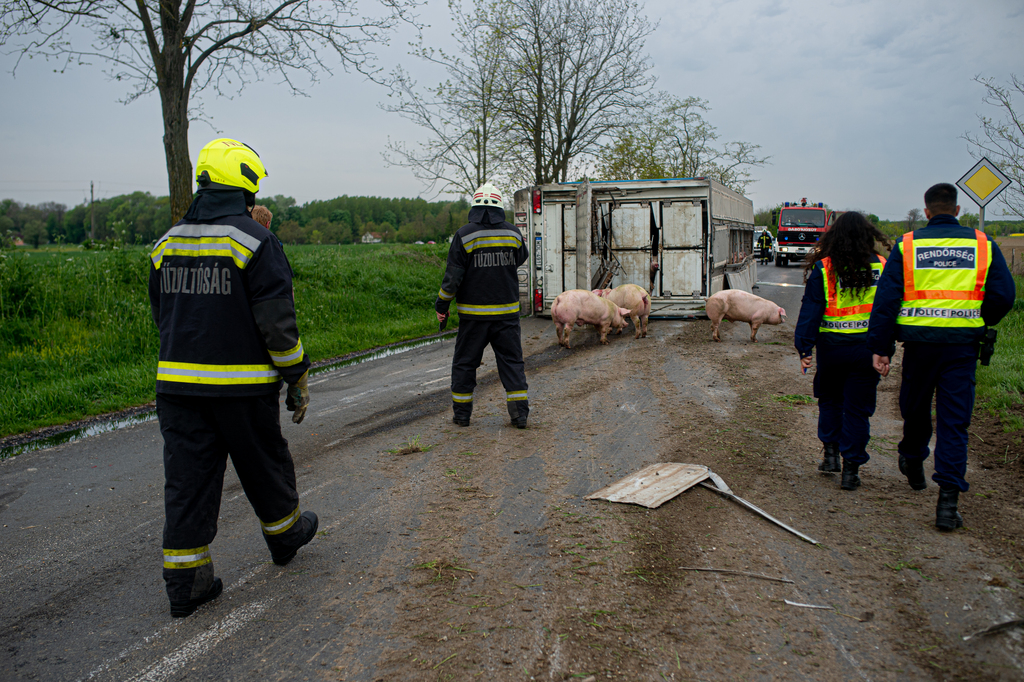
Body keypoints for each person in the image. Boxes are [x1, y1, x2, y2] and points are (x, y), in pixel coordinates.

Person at [148, 138, 318, 617]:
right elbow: (278, 326)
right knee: (264, 464)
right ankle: (285, 536)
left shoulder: (166, 243)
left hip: (177, 390)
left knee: (187, 482)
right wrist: (296, 375)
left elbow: (163, 316)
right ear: (246, 183)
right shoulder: (256, 242)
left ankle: (186, 583)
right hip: (241, 390)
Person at [867, 183, 1015, 530]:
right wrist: (979, 317)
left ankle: (913, 456)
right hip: (962, 348)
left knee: (915, 409)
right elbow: (1004, 296)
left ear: (927, 210)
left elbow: (886, 301)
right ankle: (947, 502)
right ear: (958, 210)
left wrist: (881, 347)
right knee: (954, 422)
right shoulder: (983, 244)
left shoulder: (908, 245)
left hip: (919, 347)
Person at [794, 212, 891, 490]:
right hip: (867, 350)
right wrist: (886, 347)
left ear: (834, 236)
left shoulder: (825, 268)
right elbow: (887, 311)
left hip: (832, 349)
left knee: (830, 400)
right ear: (867, 235)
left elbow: (811, 311)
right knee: (858, 410)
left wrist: (804, 347)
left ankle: (831, 455)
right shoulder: (883, 266)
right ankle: (852, 470)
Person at [435, 183, 530, 428]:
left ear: (475, 207)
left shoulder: (464, 235)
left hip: (473, 318)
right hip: (507, 316)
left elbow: (452, 278)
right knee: (511, 363)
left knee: (465, 364)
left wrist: (442, 305)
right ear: (500, 207)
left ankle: (462, 416)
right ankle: (519, 416)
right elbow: (521, 257)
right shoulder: (513, 234)